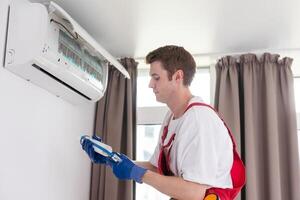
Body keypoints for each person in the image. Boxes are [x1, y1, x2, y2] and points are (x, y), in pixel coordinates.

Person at [81, 45, 245, 200]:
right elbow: (156, 168)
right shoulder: (171, 118)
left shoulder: (198, 119)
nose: (150, 84)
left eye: (156, 78)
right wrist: (111, 159)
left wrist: (136, 173)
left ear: (178, 77)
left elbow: (195, 192)